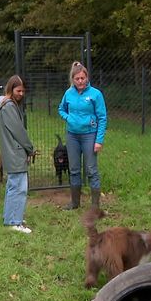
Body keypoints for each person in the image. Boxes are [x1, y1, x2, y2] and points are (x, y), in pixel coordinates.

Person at [58, 61, 108, 210]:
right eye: (77, 78)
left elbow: (102, 118)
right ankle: (74, 203)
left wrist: (99, 140)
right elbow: (61, 109)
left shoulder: (95, 94)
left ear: (87, 78)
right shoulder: (68, 93)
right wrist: (68, 118)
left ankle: (95, 206)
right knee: (74, 169)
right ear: (73, 79)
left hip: (89, 136)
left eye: (83, 78)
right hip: (72, 136)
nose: (80, 81)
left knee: (91, 170)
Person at [0, 75, 35, 234]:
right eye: (18, 90)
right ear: (11, 89)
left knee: (13, 186)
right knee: (19, 187)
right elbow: (19, 131)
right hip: (15, 151)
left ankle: (11, 217)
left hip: (10, 151)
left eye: (23, 91)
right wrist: (30, 148)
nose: (21, 94)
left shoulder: (3, 104)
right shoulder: (9, 107)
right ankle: (14, 222)